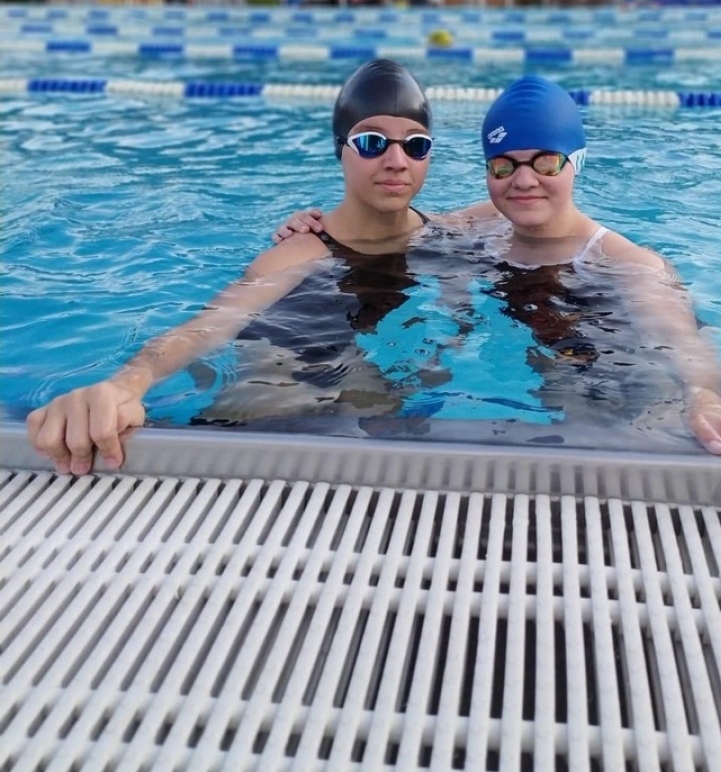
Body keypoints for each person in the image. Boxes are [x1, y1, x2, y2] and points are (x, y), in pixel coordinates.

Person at [275, 75, 721, 495]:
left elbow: (679, 339)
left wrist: (709, 397)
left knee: (605, 425)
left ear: (575, 163)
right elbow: (391, 225)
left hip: (607, 377)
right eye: (503, 165)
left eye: (545, 161)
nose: (523, 180)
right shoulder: (478, 226)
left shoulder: (626, 262)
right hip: (534, 373)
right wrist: (315, 226)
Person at [26, 58, 440, 474]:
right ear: (340, 150)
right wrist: (124, 386)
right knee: (278, 409)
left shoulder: (444, 230)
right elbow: (204, 328)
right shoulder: (298, 252)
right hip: (281, 365)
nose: (397, 161)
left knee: (390, 424)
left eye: (415, 144)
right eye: (372, 142)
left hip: (355, 363)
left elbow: (504, 205)